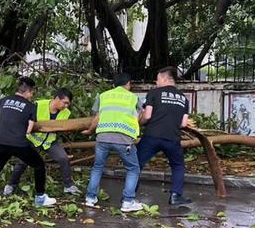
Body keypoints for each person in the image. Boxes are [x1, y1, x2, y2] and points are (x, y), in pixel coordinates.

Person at [0, 76, 56, 207]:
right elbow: (29, 129)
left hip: (1, 142)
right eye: (32, 93)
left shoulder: (5, 100)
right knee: (39, 165)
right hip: (19, 144)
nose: (31, 96)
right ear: (29, 92)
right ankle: (40, 198)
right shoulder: (31, 106)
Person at [82, 73, 142, 212]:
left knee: (97, 167)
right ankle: (128, 201)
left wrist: (90, 131)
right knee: (133, 169)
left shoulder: (103, 96)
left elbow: (97, 117)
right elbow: (141, 114)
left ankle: (90, 198)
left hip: (102, 137)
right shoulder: (133, 97)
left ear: (114, 85)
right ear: (128, 84)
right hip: (123, 138)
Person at [4, 88, 80, 196]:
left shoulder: (66, 112)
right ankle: (11, 185)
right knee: (22, 162)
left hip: (49, 141)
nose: (66, 106)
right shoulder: (38, 105)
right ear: (57, 98)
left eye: (68, 104)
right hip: (33, 139)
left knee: (63, 158)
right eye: (65, 103)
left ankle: (68, 186)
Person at [137, 66, 192, 205]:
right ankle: (175, 196)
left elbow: (147, 115)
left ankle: (129, 195)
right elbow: (183, 124)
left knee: (136, 165)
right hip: (172, 138)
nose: (156, 82)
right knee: (178, 166)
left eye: (157, 79)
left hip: (152, 136)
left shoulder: (154, 93)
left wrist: (140, 122)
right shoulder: (183, 99)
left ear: (164, 78)